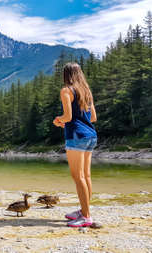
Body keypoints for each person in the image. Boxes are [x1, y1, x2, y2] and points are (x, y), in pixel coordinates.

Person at [53, 62, 97, 228]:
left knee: (78, 177)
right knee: (86, 176)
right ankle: (84, 211)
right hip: (90, 135)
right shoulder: (87, 92)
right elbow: (92, 118)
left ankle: (85, 217)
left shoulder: (66, 91)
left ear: (66, 75)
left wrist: (58, 121)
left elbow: (68, 117)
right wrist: (73, 120)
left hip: (76, 137)